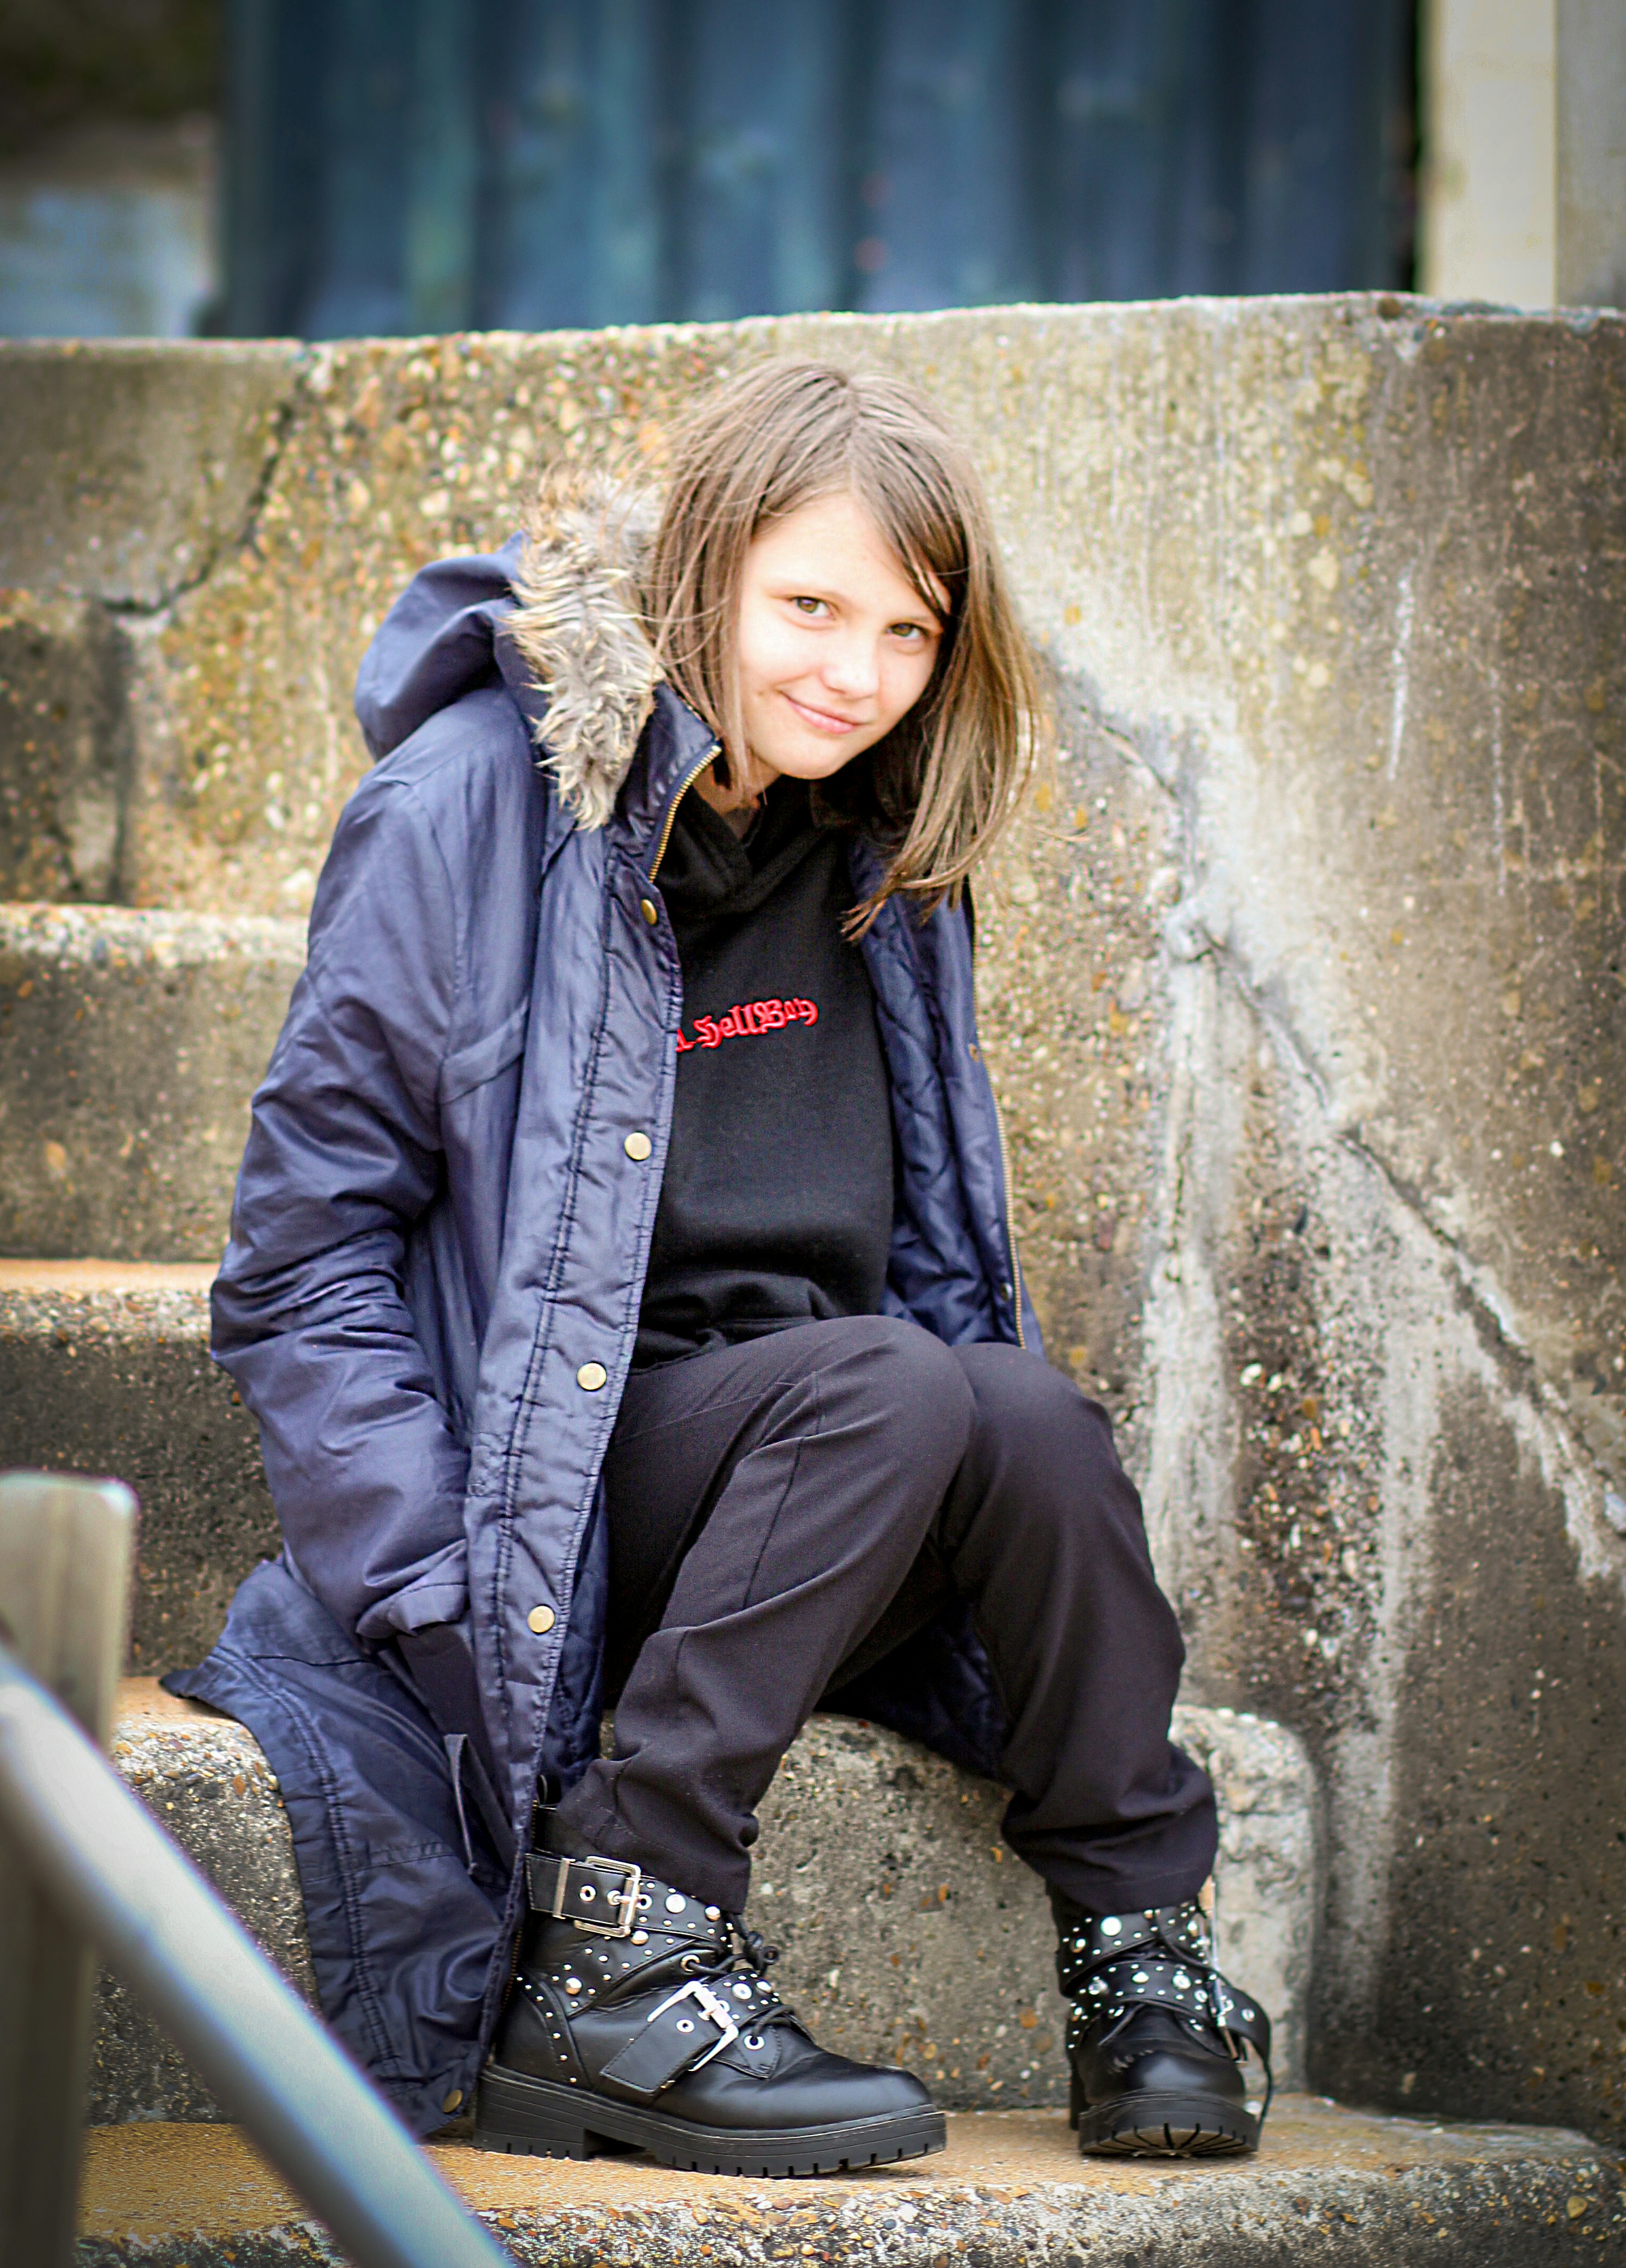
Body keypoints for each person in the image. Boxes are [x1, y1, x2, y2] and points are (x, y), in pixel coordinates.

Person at [171, 359, 1271, 2177]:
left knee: (1030, 1417)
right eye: (810, 607)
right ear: (703, 569)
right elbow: (300, 1260)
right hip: (549, 1510)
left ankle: (1138, 1946)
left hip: (818, 1488)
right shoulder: (466, 807)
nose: (857, 672)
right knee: (896, 1386)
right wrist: (430, 1582)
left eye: (908, 631)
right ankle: (621, 1937)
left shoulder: (879, 848)